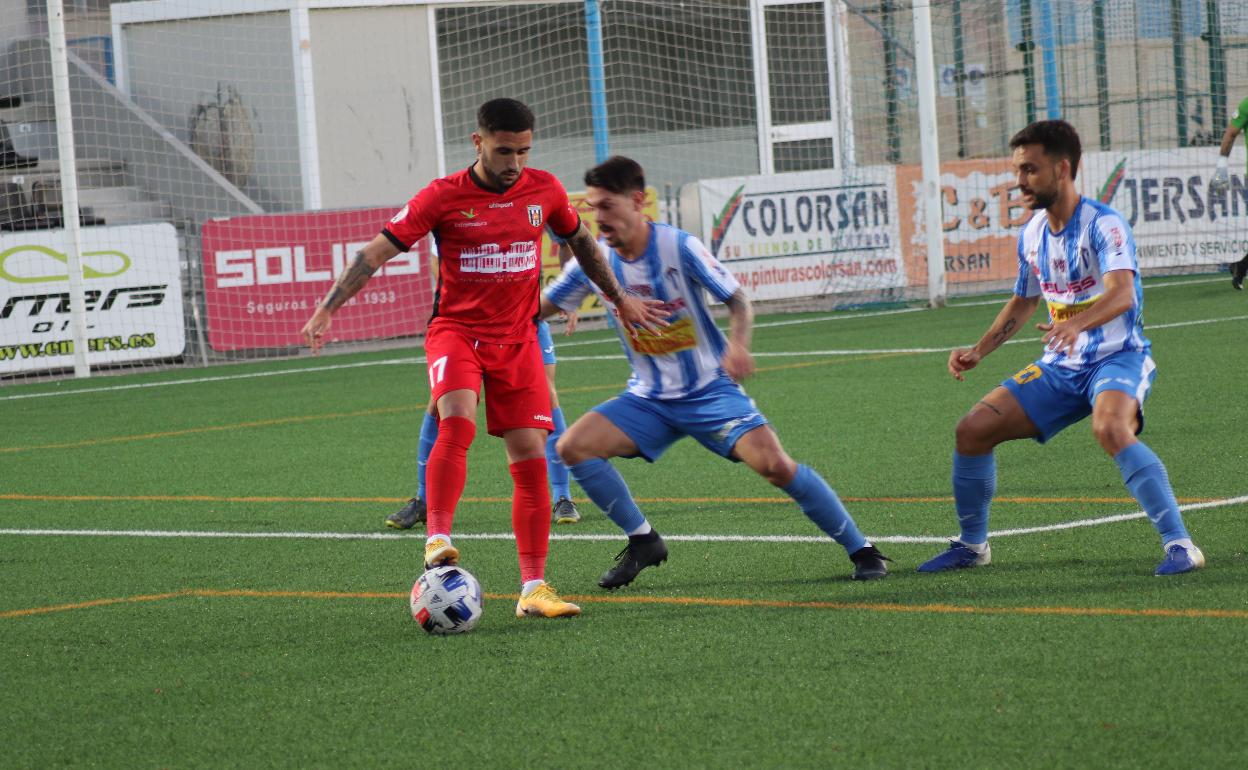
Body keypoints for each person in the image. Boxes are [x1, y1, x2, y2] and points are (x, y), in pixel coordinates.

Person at [301, 99, 665, 619]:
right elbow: (374, 254)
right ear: (478, 142)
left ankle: (534, 588)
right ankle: (438, 538)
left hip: (518, 339)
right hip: (457, 334)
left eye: (523, 150)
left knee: (530, 457)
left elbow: (580, 241)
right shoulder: (442, 196)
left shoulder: (545, 189)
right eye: (503, 150)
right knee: (458, 418)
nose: (514, 161)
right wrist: (327, 308)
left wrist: (617, 296)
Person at [540, 155, 890, 589]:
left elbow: (738, 299)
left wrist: (739, 346)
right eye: (592, 207)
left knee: (776, 466)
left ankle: (863, 549)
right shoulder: (591, 263)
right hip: (647, 397)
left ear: (637, 201)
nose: (598, 218)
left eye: (606, 205)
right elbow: (539, 309)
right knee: (573, 446)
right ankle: (644, 539)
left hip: (710, 390)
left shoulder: (677, 246)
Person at [917, 120, 1204, 577]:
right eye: (1018, 170)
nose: (1020, 181)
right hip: (1060, 366)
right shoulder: (1031, 232)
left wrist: (1076, 325)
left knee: (1109, 428)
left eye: (1030, 169)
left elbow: (1122, 293)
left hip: (1117, 357)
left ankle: (1180, 545)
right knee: (971, 429)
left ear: (1062, 168)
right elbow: (1025, 299)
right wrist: (979, 350)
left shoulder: (1103, 225)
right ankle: (973, 546)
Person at [386, 313, 582, 529]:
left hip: (522, 324)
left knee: (546, 394)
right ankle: (424, 499)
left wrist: (566, 300)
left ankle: (562, 496)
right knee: (440, 402)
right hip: (466, 328)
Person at [1210, 95, 1248, 290]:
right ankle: (1240, 267)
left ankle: (1240, 266)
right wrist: (1222, 167)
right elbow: (1231, 133)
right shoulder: (1246, 104)